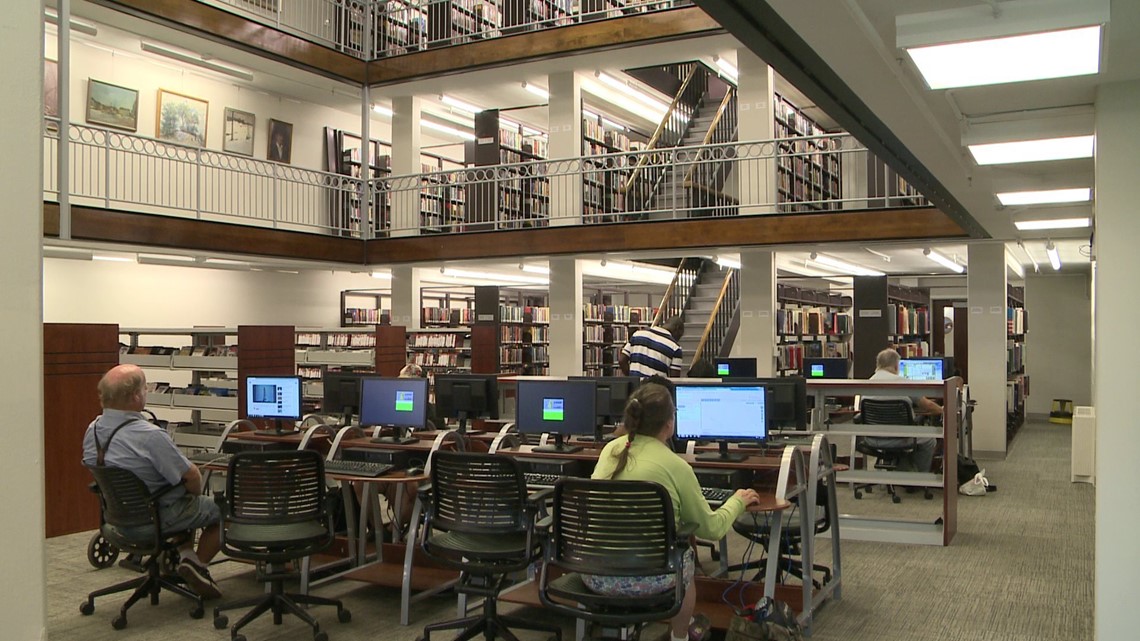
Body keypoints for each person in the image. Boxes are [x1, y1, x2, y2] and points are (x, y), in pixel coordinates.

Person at [588, 382, 762, 641]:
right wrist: (738, 500)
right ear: (669, 424)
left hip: (594, 575)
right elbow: (711, 529)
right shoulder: (675, 466)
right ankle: (680, 636)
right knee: (685, 556)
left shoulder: (610, 450)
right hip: (650, 579)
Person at [82, 364, 223, 600]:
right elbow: (192, 477)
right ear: (137, 396)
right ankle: (198, 565)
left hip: (114, 522)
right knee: (221, 509)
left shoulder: (92, 430)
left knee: (180, 500)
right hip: (154, 521)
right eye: (145, 389)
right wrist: (194, 494)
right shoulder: (150, 435)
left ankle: (186, 556)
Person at [863, 348, 943, 473]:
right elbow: (927, 405)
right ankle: (920, 478)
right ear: (896, 365)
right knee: (929, 440)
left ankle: (904, 471)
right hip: (901, 438)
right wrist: (943, 410)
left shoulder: (867, 383)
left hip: (873, 438)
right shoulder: (903, 382)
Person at [619, 316, 685, 378]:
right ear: (677, 329)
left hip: (635, 387)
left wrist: (632, 378)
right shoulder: (675, 348)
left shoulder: (638, 334)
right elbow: (675, 379)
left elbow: (622, 360)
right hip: (656, 388)